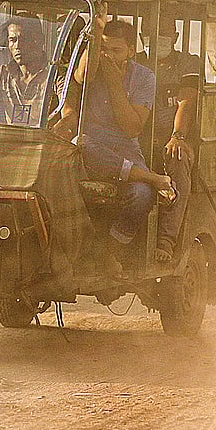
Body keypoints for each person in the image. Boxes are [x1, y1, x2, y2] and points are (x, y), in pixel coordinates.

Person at [58, 17, 171, 276]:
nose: (108, 56)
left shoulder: (144, 77)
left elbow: (132, 127)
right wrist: (96, 34)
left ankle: (108, 251)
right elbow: (80, 77)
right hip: (90, 143)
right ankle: (152, 178)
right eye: (104, 49)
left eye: (116, 50)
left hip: (124, 146)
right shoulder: (90, 67)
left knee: (142, 196)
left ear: (131, 51)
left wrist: (114, 84)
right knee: (81, 144)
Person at [144, 17, 202, 262]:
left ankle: (166, 240)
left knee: (176, 160)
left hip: (173, 137)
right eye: (149, 32)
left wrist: (177, 136)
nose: (156, 38)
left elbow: (187, 102)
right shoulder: (136, 62)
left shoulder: (187, 62)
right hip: (139, 136)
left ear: (176, 37)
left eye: (164, 33)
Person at [0, 17, 54, 126]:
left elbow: (69, 116)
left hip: (45, 141)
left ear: (39, 41)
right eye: (12, 40)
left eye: (24, 39)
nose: (17, 46)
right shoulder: (2, 74)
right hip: (10, 141)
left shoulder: (55, 75)